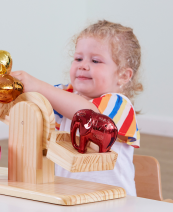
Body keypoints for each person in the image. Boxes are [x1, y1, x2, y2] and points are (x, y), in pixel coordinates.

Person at [10, 20, 143, 196]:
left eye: (95, 61)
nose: (83, 65)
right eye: (78, 58)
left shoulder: (119, 104)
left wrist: (38, 86)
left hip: (114, 206)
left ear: (123, 76)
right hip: (69, 200)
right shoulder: (62, 95)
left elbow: (92, 116)